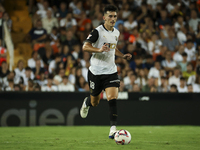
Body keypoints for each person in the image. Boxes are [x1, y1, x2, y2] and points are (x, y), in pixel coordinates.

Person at [79, 5, 132, 139]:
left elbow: (113, 49)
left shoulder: (116, 32)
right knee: (95, 102)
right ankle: (87, 103)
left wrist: (122, 56)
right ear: (104, 18)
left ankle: (113, 129)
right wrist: (99, 50)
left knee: (112, 98)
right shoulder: (97, 31)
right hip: (95, 72)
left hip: (111, 71)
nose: (113, 19)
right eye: (110, 16)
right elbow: (85, 46)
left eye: (115, 16)